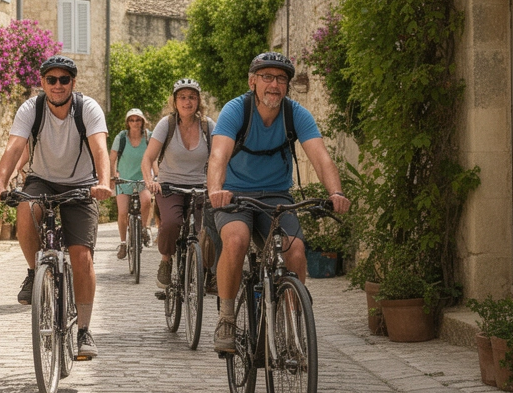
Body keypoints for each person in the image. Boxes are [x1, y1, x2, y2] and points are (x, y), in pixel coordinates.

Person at [206, 52, 351, 354]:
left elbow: (321, 157)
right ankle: (227, 318)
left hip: (276, 196)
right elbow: (219, 155)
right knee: (236, 239)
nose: (274, 84)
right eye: (267, 77)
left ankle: (291, 325)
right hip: (234, 195)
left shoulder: (295, 114)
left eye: (281, 79)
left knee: (295, 249)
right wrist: (216, 190)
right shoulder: (236, 110)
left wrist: (336, 192)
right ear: (253, 81)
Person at [0, 55, 113, 360]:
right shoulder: (31, 109)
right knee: (26, 209)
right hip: (41, 179)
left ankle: (84, 330)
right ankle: (34, 272)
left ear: (73, 82)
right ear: (42, 83)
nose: (58, 85)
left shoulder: (88, 109)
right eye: (51, 80)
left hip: (82, 183)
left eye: (64, 79)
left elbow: (99, 147)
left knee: (81, 256)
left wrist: (103, 182)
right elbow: (14, 147)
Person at [142, 79, 214, 292]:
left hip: (200, 187)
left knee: (207, 230)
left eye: (192, 97)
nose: (187, 102)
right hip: (169, 186)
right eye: (182, 97)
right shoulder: (167, 124)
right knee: (171, 223)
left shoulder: (208, 126)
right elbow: (148, 158)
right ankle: (166, 260)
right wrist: (150, 181)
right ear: (174, 102)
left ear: (198, 101)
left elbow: (220, 157)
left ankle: (208, 271)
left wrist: (218, 184)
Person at [110, 109, 153, 261]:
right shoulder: (121, 137)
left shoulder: (149, 137)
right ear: (127, 123)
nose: (135, 123)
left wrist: (157, 176)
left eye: (138, 120)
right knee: (122, 212)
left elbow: (154, 158)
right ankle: (123, 243)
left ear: (142, 122)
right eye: (131, 120)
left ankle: (145, 229)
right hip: (124, 180)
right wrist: (113, 175)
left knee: (146, 201)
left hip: (143, 178)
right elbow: (112, 158)